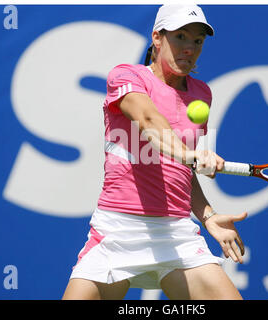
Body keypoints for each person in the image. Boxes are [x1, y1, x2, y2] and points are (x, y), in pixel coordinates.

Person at [62, 4, 247, 300]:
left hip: (175, 232)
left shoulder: (201, 94)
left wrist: (208, 215)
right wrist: (191, 155)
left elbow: (181, 171)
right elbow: (149, 121)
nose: (190, 47)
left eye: (197, 41)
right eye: (181, 37)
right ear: (157, 38)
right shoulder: (126, 76)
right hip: (117, 229)